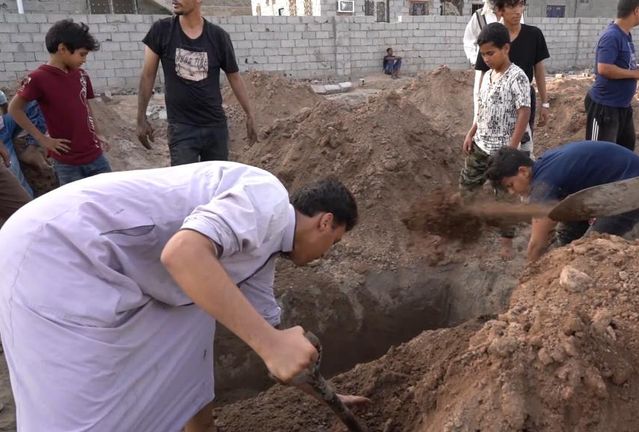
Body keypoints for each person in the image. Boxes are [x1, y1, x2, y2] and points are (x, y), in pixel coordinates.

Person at [0, 161, 367, 431]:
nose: (325, 254)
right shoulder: (267, 197)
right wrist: (271, 344)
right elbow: (183, 253)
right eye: (332, 244)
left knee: (193, 320)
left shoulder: (262, 254)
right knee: (86, 407)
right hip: (57, 251)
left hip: (99, 262)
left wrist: (328, 397)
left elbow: (272, 335)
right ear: (324, 222)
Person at [486, 141, 639, 262]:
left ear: (523, 171)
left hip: (636, 190)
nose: (512, 191)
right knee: (568, 237)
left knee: (588, 252)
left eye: (510, 185)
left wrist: (528, 276)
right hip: (625, 181)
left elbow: (537, 243)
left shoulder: (543, 186)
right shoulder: (545, 162)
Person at [137, 0, 257, 165]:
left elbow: (234, 77)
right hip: (181, 129)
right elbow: (147, 76)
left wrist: (249, 114)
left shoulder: (218, 37)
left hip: (215, 128)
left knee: (215, 185)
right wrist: (140, 117)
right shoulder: (162, 31)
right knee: (185, 186)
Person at [9, 19, 111, 186]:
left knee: (108, 195)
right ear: (62, 49)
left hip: (94, 155)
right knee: (74, 205)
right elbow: (15, 109)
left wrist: (98, 133)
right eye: (82, 54)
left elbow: (86, 107)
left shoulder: (82, 76)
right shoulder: (38, 78)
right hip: (66, 162)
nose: (84, 59)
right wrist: (42, 139)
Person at [460, 23, 531, 257]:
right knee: (468, 186)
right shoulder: (488, 76)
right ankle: (465, 229)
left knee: (505, 198)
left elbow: (524, 112)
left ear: (506, 49)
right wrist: (471, 132)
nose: (487, 58)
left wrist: (512, 148)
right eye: (483, 54)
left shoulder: (517, 77)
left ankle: (506, 242)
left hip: (503, 150)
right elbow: (482, 109)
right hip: (480, 145)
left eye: (491, 53)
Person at [584, 0, 639, 151]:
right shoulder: (612, 36)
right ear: (636, 11)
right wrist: (635, 73)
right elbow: (604, 68)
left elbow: (623, 66)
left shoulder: (625, 36)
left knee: (624, 153)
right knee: (599, 156)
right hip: (605, 108)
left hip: (622, 107)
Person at [476, 0, 550, 132]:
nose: (518, 11)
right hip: (497, 98)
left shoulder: (534, 35)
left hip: (524, 99)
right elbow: (483, 75)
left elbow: (539, 71)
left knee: (523, 140)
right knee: (496, 139)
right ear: (499, 10)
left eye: (521, 5)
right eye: (511, 6)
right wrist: (479, 112)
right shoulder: (491, 36)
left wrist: (545, 103)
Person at [1, 90, 48, 197]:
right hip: (3, 141)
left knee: (37, 98)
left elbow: (4, 105)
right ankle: (27, 205)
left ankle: (32, 147)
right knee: (13, 178)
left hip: (4, 125)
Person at [463, 0, 502, 124]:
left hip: (507, 67)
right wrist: (475, 60)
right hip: (485, 68)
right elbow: (468, 40)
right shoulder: (479, 16)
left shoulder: (511, 13)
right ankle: (479, 132)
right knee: (481, 100)